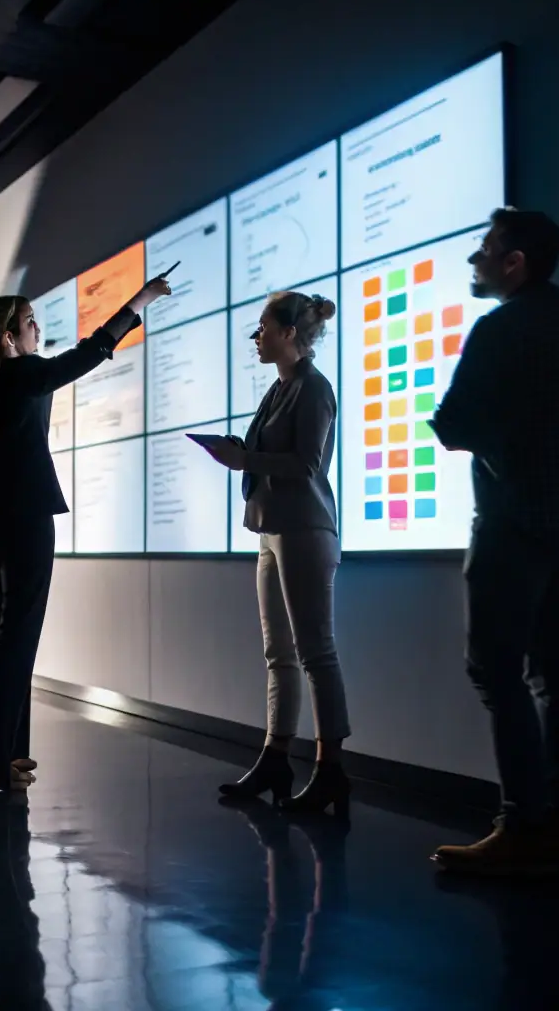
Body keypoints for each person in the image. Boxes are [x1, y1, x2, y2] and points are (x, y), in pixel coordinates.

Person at [429, 208, 559, 875]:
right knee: (555, 669)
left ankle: (520, 827)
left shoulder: (500, 328)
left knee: (496, 670)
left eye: (483, 252)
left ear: (513, 263)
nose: (473, 263)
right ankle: (556, 820)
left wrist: (492, 434)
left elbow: (450, 425)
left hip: (510, 522)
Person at [0, 275, 173, 791]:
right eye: (28, 322)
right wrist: (139, 301)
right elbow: (91, 352)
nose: (36, 328)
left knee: (8, 633)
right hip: (26, 517)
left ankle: (10, 749)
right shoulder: (21, 374)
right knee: (18, 637)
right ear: (7, 337)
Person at [202, 292, 351, 816]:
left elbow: (307, 464)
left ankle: (331, 768)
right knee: (279, 655)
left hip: (304, 529)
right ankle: (276, 758)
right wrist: (241, 455)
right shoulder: (279, 388)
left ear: (290, 333)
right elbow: (268, 457)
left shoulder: (314, 389)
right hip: (270, 528)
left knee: (316, 653)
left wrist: (245, 457)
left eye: (263, 327)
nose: (255, 336)